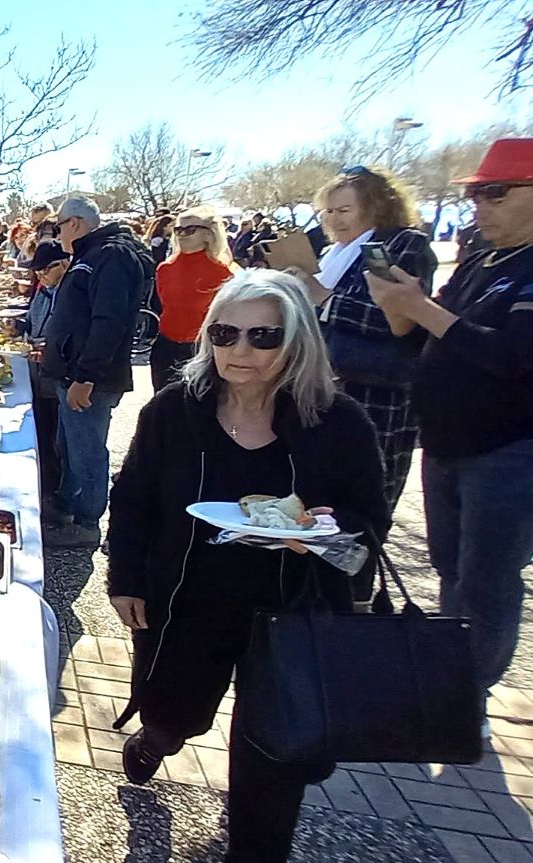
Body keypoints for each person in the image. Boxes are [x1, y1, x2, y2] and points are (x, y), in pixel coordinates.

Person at [109, 270, 389, 863]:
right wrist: (126, 578)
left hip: (292, 617)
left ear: (297, 340)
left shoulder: (338, 423)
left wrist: (325, 534)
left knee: (271, 766)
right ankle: (158, 738)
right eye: (225, 333)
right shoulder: (173, 412)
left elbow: (368, 528)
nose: (241, 349)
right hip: (187, 603)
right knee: (172, 712)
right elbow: (133, 499)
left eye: (264, 336)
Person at [367, 138, 533, 701]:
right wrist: (401, 313)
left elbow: (512, 357)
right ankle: (452, 676)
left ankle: (468, 692)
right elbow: (432, 347)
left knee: (487, 578)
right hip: (446, 445)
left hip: (507, 450)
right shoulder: (482, 261)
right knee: (450, 568)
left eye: (496, 192)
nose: (480, 205)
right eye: (476, 194)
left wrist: (420, 308)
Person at [285, 166, 437, 518]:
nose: (334, 219)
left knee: (364, 498)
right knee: (317, 498)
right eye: (328, 211)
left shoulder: (401, 244)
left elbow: (396, 317)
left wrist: (324, 298)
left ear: (375, 206)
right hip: (322, 387)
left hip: (374, 393)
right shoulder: (333, 253)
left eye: (344, 210)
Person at [42, 195, 154, 547]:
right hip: (73, 373)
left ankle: (87, 523)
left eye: (59, 226)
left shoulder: (111, 255)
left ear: (74, 223)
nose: (58, 232)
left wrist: (86, 377)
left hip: (90, 379)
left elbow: (109, 322)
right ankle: (66, 504)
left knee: (87, 452)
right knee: (69, 445)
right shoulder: (93, 253)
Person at [151, 206, 235, 392]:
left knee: (199, 403)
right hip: (165, 346)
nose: (181, 234)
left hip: (202, 349)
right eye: (178, 229)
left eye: (190, 229)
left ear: (208, 234)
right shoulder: (165, 269)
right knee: (163, 403)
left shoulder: (223, 273)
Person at [19, 239, 70, 508]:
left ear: (64, 264)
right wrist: (19, 327)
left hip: (55, 372)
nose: (40, 275)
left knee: (54, 431)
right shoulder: (44, 289)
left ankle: (53, 487)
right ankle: (47, 481)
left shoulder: (70, 293)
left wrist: (48, 349)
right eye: (37, 270)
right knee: (42, 423)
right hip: (38, 368)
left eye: (45, 270)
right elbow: (32, 321)